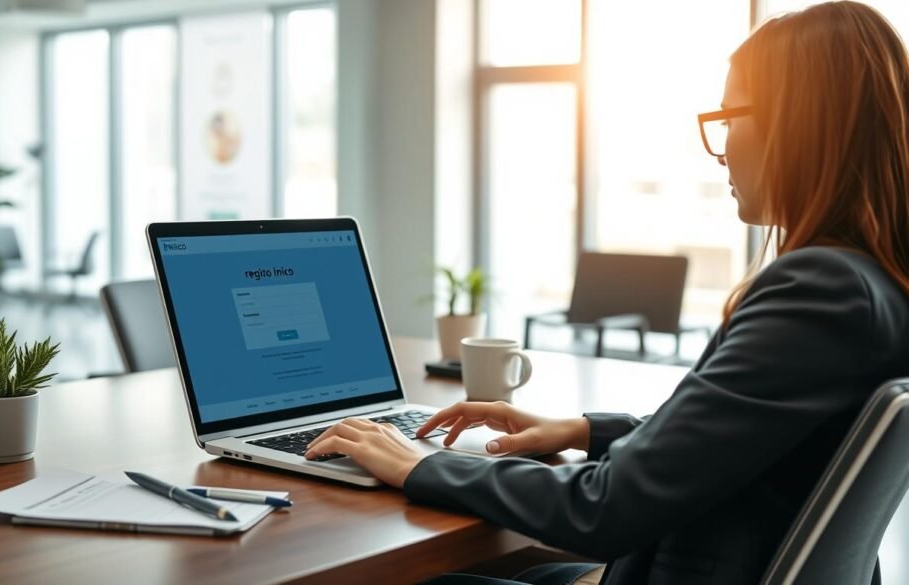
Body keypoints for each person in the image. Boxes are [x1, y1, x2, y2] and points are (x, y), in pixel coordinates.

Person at [304, 2, 909, 584]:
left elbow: (606, 509)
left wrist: (422, 463)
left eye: (729, 118)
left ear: (796, 126)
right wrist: (581, 430)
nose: (719, 150)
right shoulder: (874, 286)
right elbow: (733, 435)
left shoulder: (821, 292)